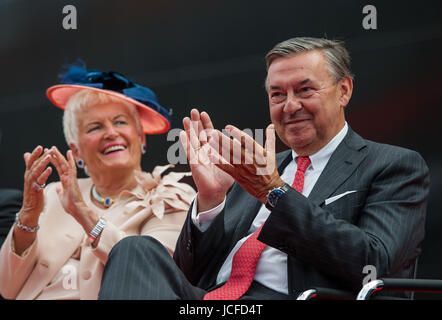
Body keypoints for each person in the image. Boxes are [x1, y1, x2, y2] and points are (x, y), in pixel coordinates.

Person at [98, 37, 430, 300]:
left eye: (304, 90)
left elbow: (375, 263)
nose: (290, 106)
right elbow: (191, 276)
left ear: (343, 91)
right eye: (277, 95)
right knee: (134, 251)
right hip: (215, 302)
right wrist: (212, 199)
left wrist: (275, 192)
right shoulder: (253, 173)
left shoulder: (393, 165)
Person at [0, 65, 195, 300]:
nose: (111, 133)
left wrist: (82, 213)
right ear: (76, 151)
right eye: (95, 127)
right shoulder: (53, 195)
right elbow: (6, 288)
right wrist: (28, 216)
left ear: (141, 137)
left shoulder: (170, 195)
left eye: (120, 122)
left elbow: (155, 278)